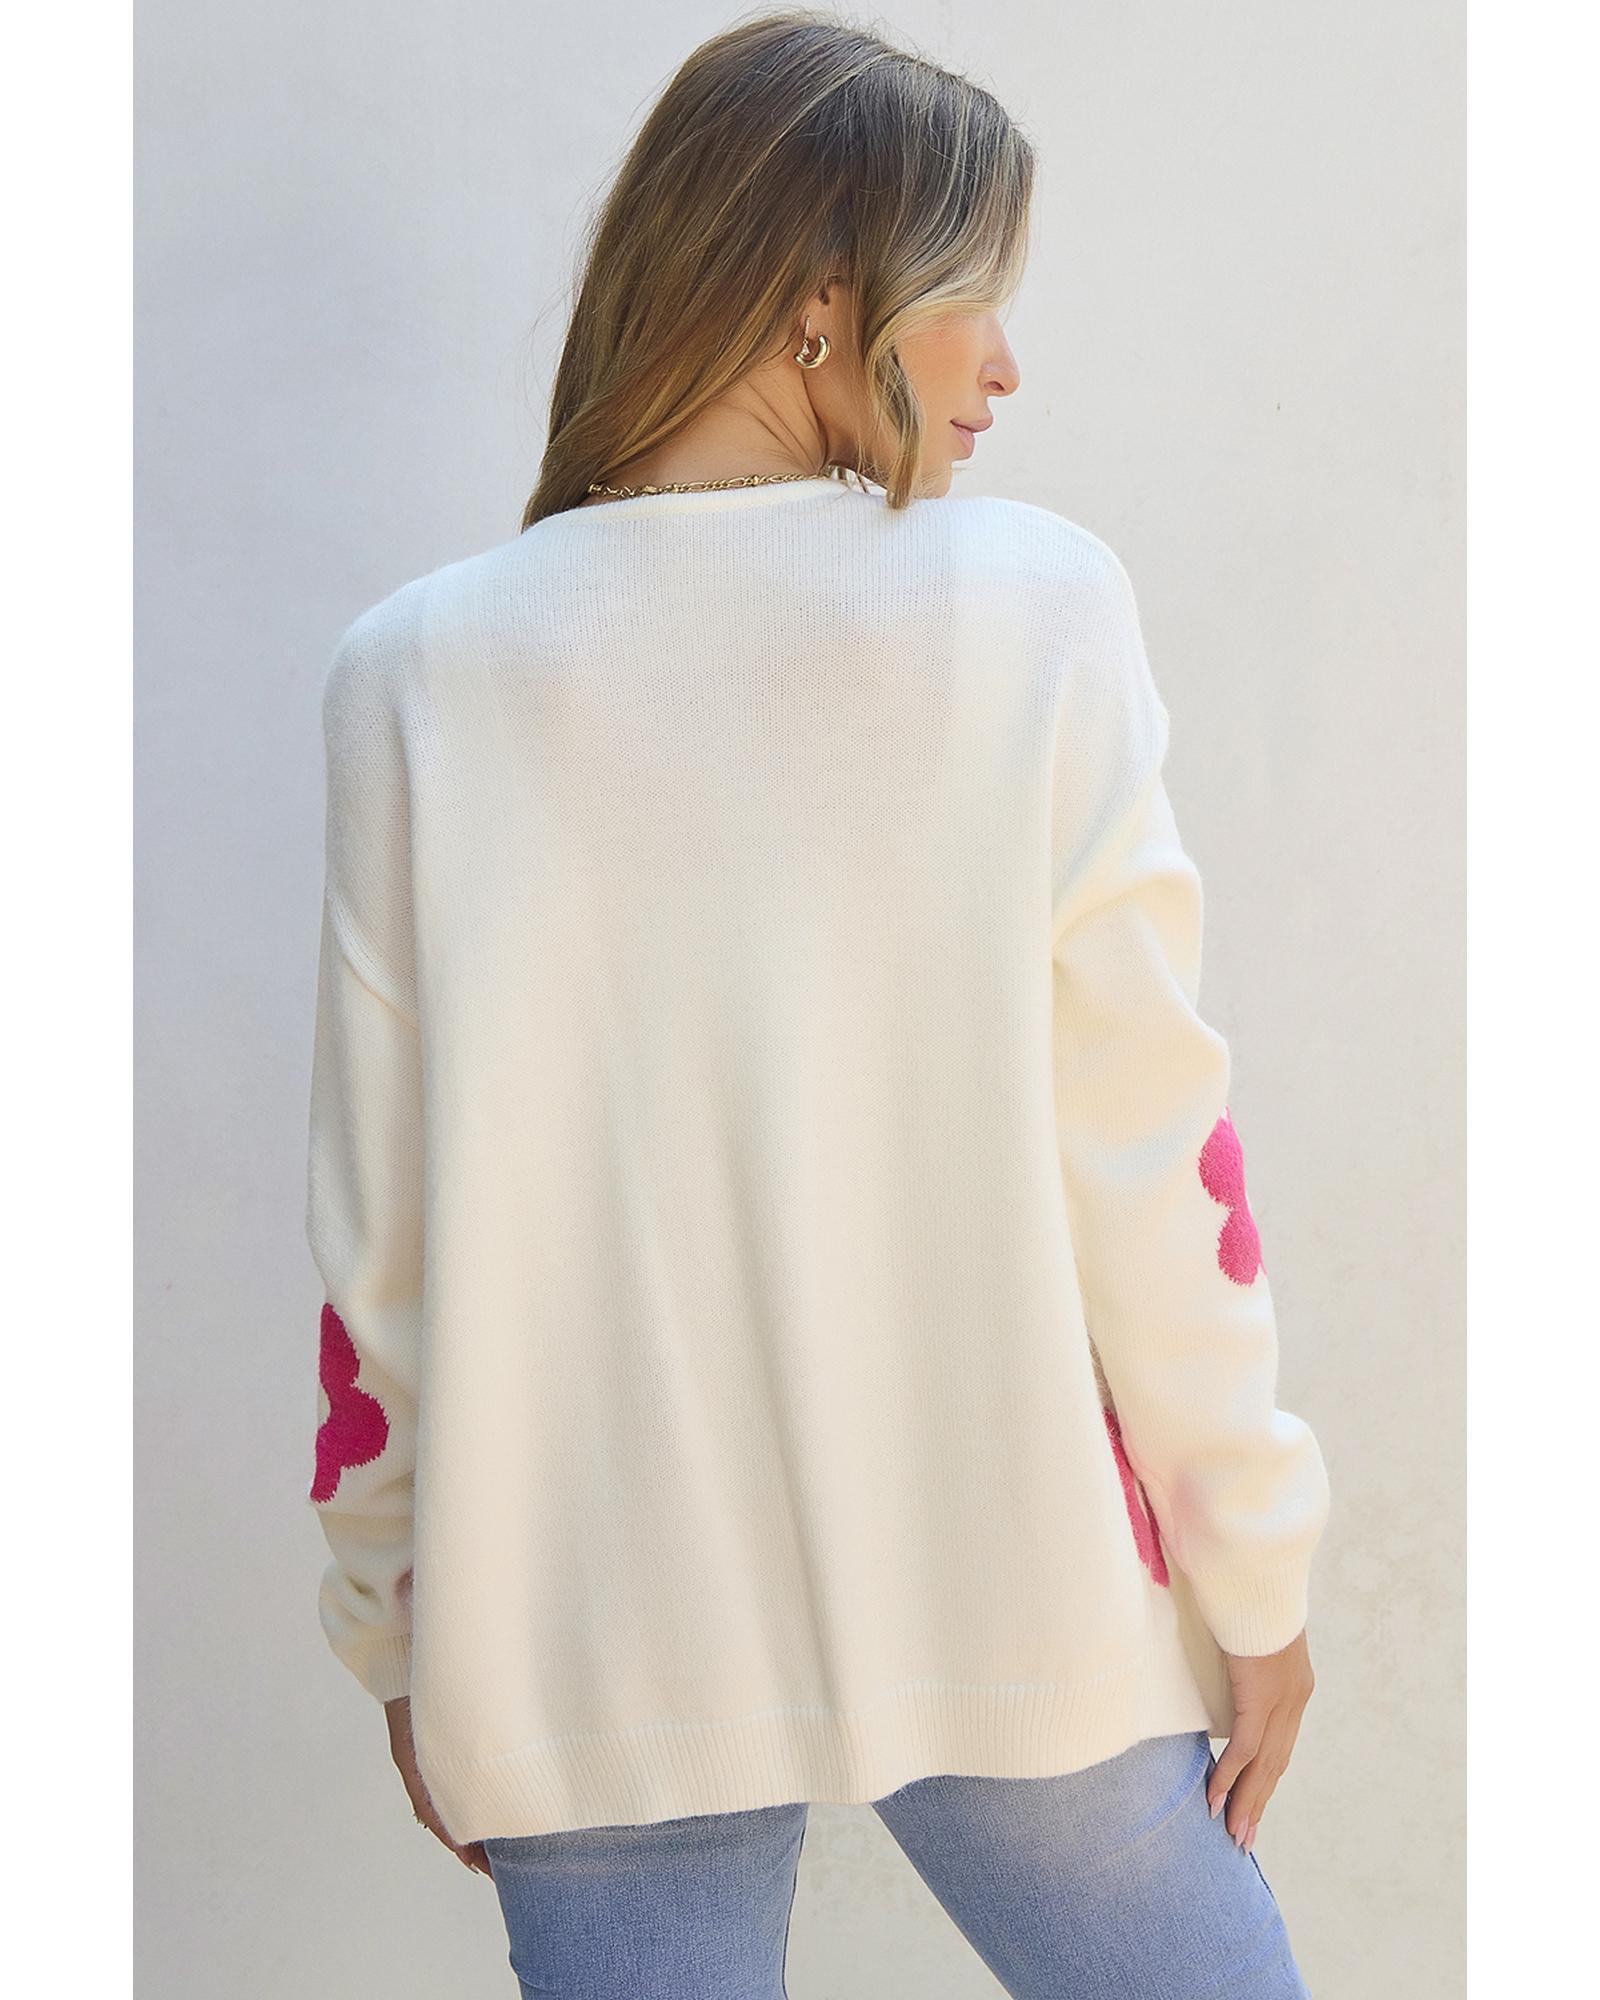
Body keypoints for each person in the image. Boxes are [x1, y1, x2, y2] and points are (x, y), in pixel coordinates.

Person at [302, 10, 1333, 1996]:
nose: (1005, 365)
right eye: (975, 297)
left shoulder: (415, 677)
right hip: (1007, 1582)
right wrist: (1254, 1566)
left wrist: (406, 1631)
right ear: (822, 302)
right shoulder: (1034, 610)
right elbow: (1151, 1157)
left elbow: (379, 1246)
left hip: (583, 1630)